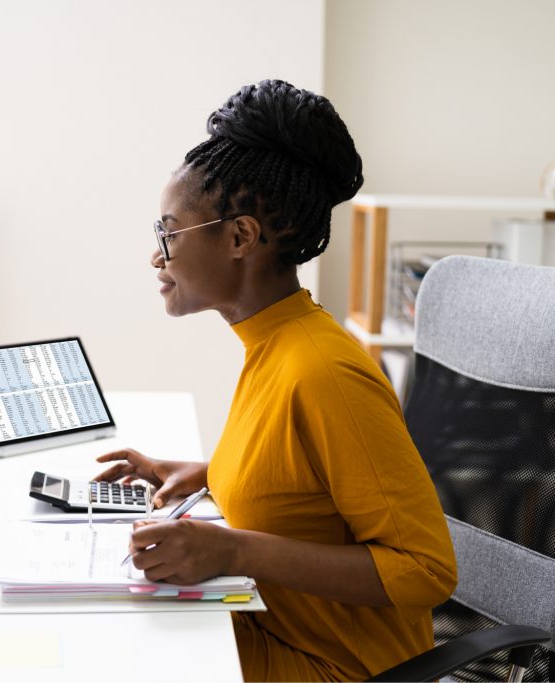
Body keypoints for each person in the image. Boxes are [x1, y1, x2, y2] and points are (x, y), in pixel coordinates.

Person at [94, 79, 457, 682]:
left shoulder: (323, 372)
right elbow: (301, 486)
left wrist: (234, 549)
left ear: (240, 237)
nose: (157, 256)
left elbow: (426, 571)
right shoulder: (272, 343)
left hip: (335, 668)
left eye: (169, 234)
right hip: (268, 630)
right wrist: (208, 473)